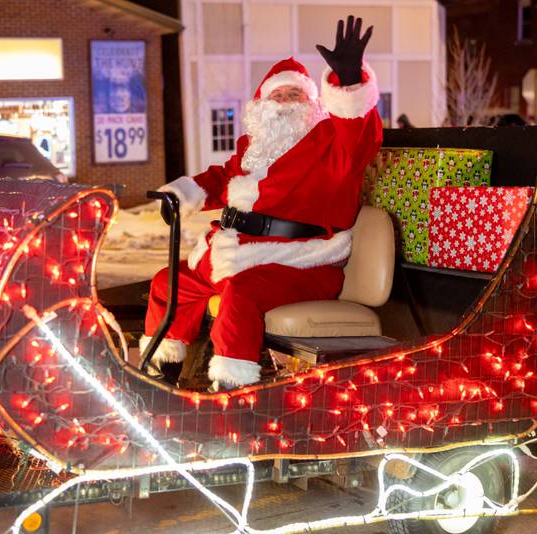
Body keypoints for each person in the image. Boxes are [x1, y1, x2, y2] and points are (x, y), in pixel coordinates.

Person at [142, 16, 383, 389]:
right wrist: (180, 194)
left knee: (241, 295)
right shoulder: (253, 152)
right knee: (166, 283)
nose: (286, 104)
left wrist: (349, 81)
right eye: (278, 96)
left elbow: (358, 133)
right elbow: (221, 177)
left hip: (300, 262)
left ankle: (232, 387)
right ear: (262, 106)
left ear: (313, 103)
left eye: (295, 95)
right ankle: (162, 372)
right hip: (238, 254)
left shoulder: (332, 146)